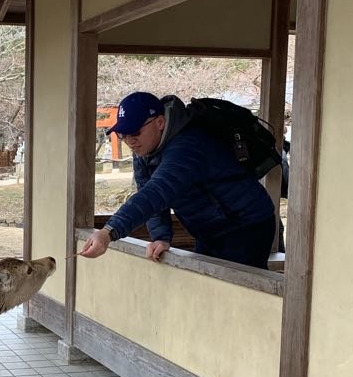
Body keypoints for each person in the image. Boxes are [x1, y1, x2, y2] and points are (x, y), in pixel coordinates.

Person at [80, 91, 278, 270]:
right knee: (207, 285)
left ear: (159, 123)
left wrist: (108, 232)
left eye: (135, 132)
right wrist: (161, 237)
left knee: (239, 292)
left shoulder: (188, 146)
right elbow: (148, 193)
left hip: (246, 224)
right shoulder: (143, 150)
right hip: (209, 228)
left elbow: (157, 192)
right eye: (122, 135)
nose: (130, 141)